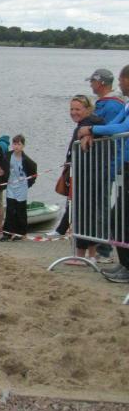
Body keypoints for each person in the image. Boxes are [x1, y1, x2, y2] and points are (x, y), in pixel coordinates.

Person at [78, 65, 129, 281]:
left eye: (121, 79)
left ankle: (120, 262)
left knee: (118, 215)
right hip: (123, 164)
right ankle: (124, 264)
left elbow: (122, 128)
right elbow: (114, 124)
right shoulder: (125, 104)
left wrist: (92, 129)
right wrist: (93, 131)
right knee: (118, 216)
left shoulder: (115, 103)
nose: (119, 84)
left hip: (121, 163)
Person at [61, 95, 104, 261]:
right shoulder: (84, 125)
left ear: (87, 109)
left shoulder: (89, 123)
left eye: (77, 109)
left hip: (88, 175)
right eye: (71, 109)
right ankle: (90, 255)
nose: (73, 112)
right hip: (85, 174)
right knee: (88, 214)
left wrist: (88, 132)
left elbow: (99, 122)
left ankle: (80, 255)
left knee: (83, 214)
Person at [87, 68, 123, 261]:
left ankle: (104, 249)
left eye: (92, 81)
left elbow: (112, 133)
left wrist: (90, 131)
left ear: (100, 82)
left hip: (107, 162)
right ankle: (98, 245)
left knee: (102, 204)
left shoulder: (112, 106)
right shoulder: (105, 103)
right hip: (100, 162)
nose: (90, 85)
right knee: (96, 204)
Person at [0, 134, 37, 241]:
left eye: (19, 144)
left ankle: (21, 233)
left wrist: (28, 184)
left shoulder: (26, 160)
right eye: (14, 144)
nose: (16, 146)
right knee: (10, 209)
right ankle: (7, 233)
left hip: (22, 187)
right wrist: (0, 172)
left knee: (20, 210)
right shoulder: (8, 156)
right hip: (11, 186)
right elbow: (1, 166)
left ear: (23, 146)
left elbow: (33, 172)